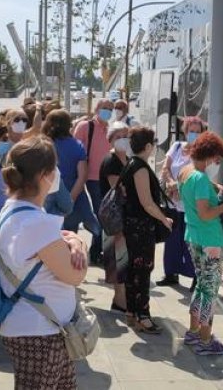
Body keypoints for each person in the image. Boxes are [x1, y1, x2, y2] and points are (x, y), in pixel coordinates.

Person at [0, 136, 89, 389]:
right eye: (55, 167)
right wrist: (79, 244)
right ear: (45, 175)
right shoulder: (36, 223)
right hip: (40, 334)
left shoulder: (15, 209)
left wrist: (70, 241)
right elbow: (75, 275)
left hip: (41, 329)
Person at [178, 131, 223, 355]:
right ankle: (205, 340)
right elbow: (205, 213)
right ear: (210, 155)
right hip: (210, 239)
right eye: (217, 159)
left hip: (193, 237)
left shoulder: (186, 172)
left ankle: (193, 333)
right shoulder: (201, 179)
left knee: (201, 286)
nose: (217, 163)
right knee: (210, 291)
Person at [120, 125, 173, 334]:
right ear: (148, 145)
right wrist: (164, 219)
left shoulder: (130, 163)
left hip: (131, 225)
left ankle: (131, 313)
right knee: (143, 271)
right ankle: (143, 316)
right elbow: (147, 203)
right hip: (140, 228)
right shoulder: (140, 167)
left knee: (134, 270)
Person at [158, 116, 204, 287]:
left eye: (198, 132)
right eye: (191, 131)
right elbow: (165, 167)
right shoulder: (176, 146)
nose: (194, 134)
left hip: (191, 204)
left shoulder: (201, 152)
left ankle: (196, 277)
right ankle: (171, 273)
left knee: (191, 242)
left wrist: (179, 188)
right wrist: (170, 184)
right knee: (172, 240)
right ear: (186, 131)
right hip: (173, 202)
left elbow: (197, 174)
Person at [43, 110, 101, 241]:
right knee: (70, 236)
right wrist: (71, 199)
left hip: (46, 193)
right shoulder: (77, 145)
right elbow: (82, 176)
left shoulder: (43, 144)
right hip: (72, 192)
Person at [73, 99, 114, 264]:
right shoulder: (85, 127)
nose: (108, 111)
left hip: (105, 178)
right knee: (99, 215)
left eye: (110, 108)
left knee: (102, 215)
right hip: (88, 177)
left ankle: (96, 251)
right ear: (96, 109)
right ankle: (96, 253)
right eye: (105, 108)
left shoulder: (111, 130)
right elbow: (75, 151)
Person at [98, 121, 131, 313]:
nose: (123, 140)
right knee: (118, 261)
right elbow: (118, 190)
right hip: (114, 218)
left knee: (122, 260)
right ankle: (120, 301)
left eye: (126, 135)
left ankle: (120, 300)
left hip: (121, 217)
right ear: (110, 139)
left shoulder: (126, 158)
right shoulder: (111, 161)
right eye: (118, 136)